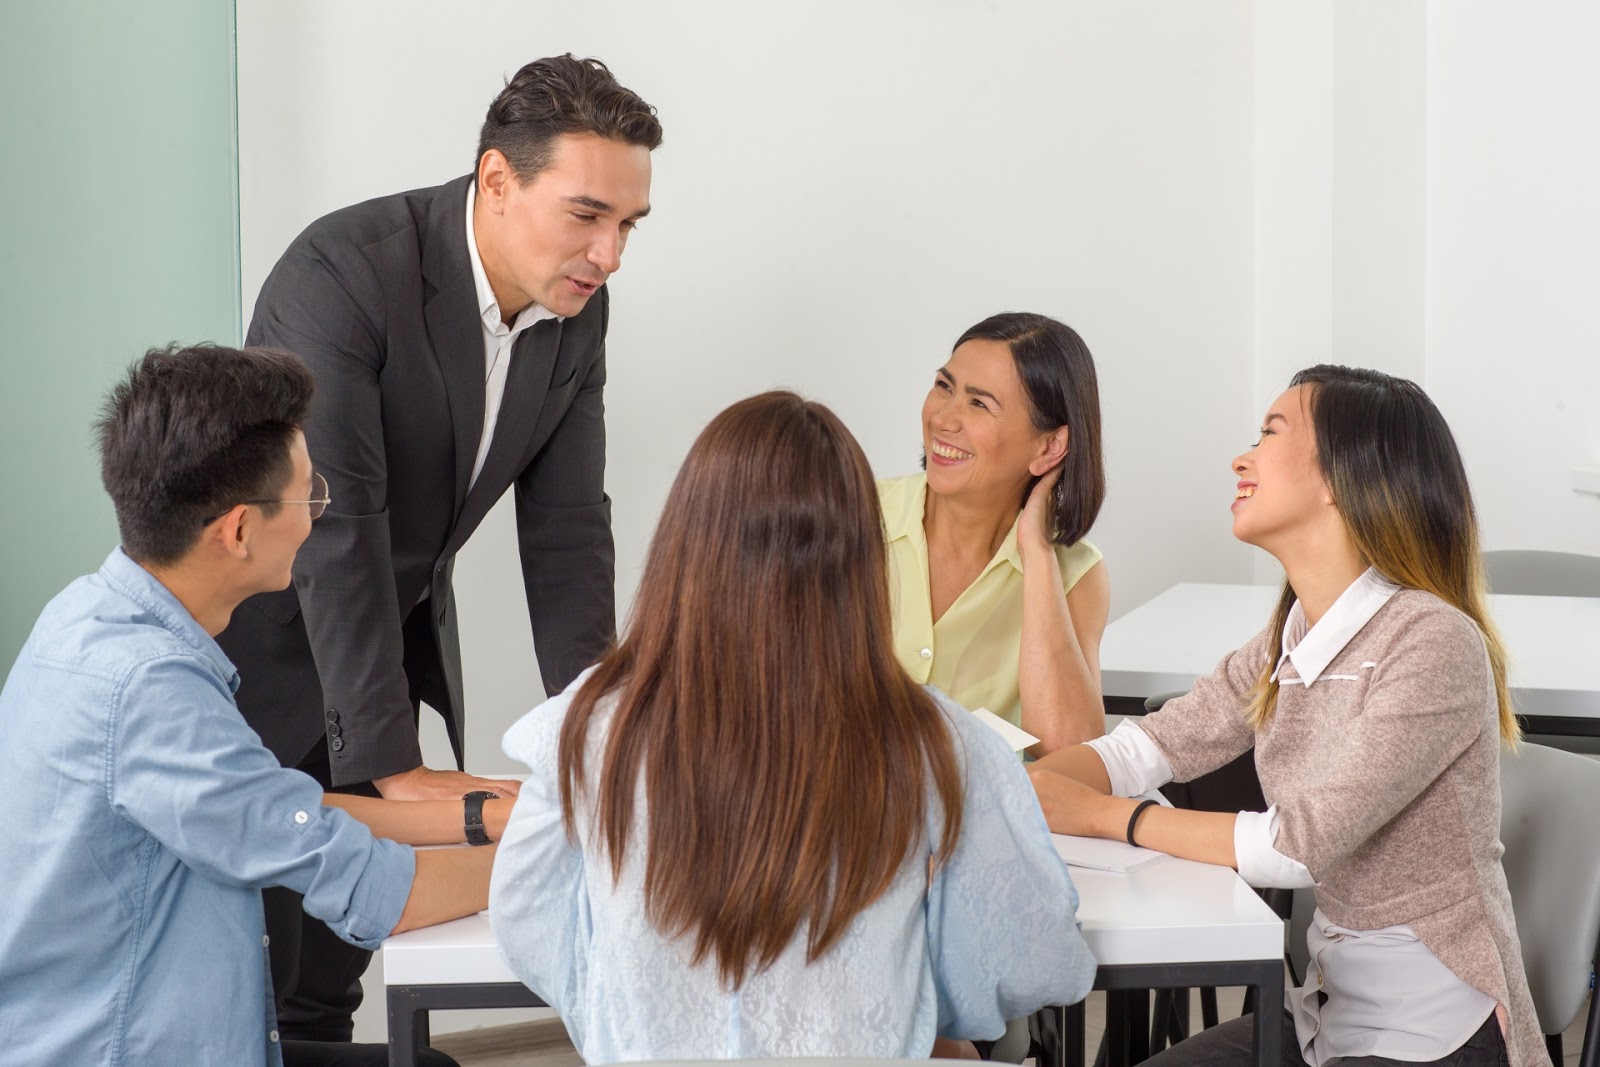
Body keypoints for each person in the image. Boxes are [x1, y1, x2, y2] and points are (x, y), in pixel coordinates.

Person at [216, 54, 662, 1040]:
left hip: (381, 648)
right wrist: (392, 761)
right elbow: (338, 521)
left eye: (629, 224)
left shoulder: (575, 314)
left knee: (327, 989)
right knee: (253, 988)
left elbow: (567, 528)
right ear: (497, 179)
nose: (609, 253)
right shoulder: (344, 272)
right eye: (587, 214)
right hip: (262, 657)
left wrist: (596, 737)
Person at [488, 391, 1096, 1061]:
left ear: (684, 539)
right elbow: (1034, 959)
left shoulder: (586, 724)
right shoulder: (935, 740)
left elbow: (528, 922)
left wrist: (629, 1024)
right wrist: (919, 1004)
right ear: (862, 558)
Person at [0, 345, 508, 1067]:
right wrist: (560, 856)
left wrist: (484, 816)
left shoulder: (88, 617)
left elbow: (276, 809)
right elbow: (380, 892)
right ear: (238, 530)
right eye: (309, 497)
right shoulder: (151, 689)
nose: (316, 518)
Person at [1028, 365, 1546, 1067]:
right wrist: (1018, 793)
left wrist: (1097, 815)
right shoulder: (1292, 635)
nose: (1241, 459)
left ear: (1340, 476)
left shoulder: (1433, 641)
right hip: (1329, 1013)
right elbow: (1148, 746)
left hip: (1435, 1033)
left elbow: (1297, 846)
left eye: (1269, 435)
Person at [880, 312, 1109, 754]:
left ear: (1049, 446)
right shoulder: (852, 516)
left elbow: (1071, 751)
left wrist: (1037, 553)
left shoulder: (1076, 575)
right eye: (944, 386)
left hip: (988, 801)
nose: (943, 419)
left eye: (979, 404)